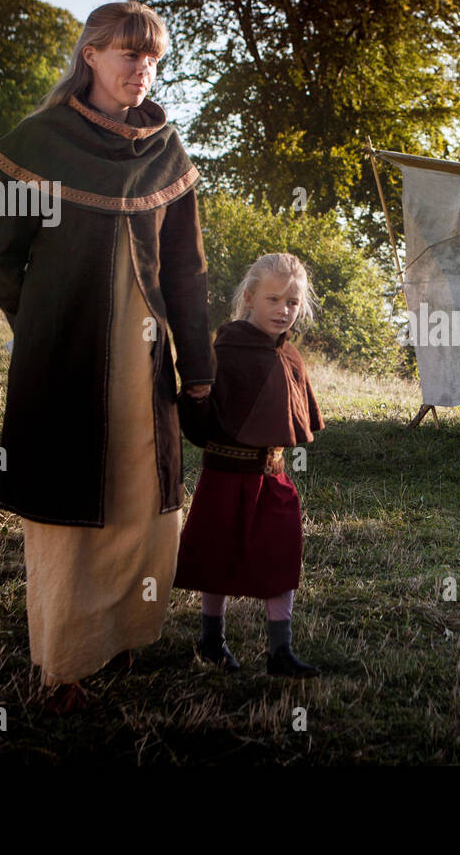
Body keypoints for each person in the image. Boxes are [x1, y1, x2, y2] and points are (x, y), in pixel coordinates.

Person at [0, 2, 215, 714]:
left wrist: (197, 372)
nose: (141, 70)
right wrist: (43, 322)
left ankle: (122, 633)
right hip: (65, 354)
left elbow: (188, 273)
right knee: (65, 503)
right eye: (126, 54)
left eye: (153, 59)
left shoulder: (167, 154)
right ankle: (66, 661)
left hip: (145, 363)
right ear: (91, 55)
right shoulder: (38, 142)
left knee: (142, 501)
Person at [174, 253, 324, 678]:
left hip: (272, 474)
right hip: (225, 473)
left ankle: (280, 652)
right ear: (250, 297)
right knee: (218, 559)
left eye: (293, 302)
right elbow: (203, 418)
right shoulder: (227, 348)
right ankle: (211, 640)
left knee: (281, 556)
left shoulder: (289, 354)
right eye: (273, 299)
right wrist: (197, 400)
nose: (284, 310)